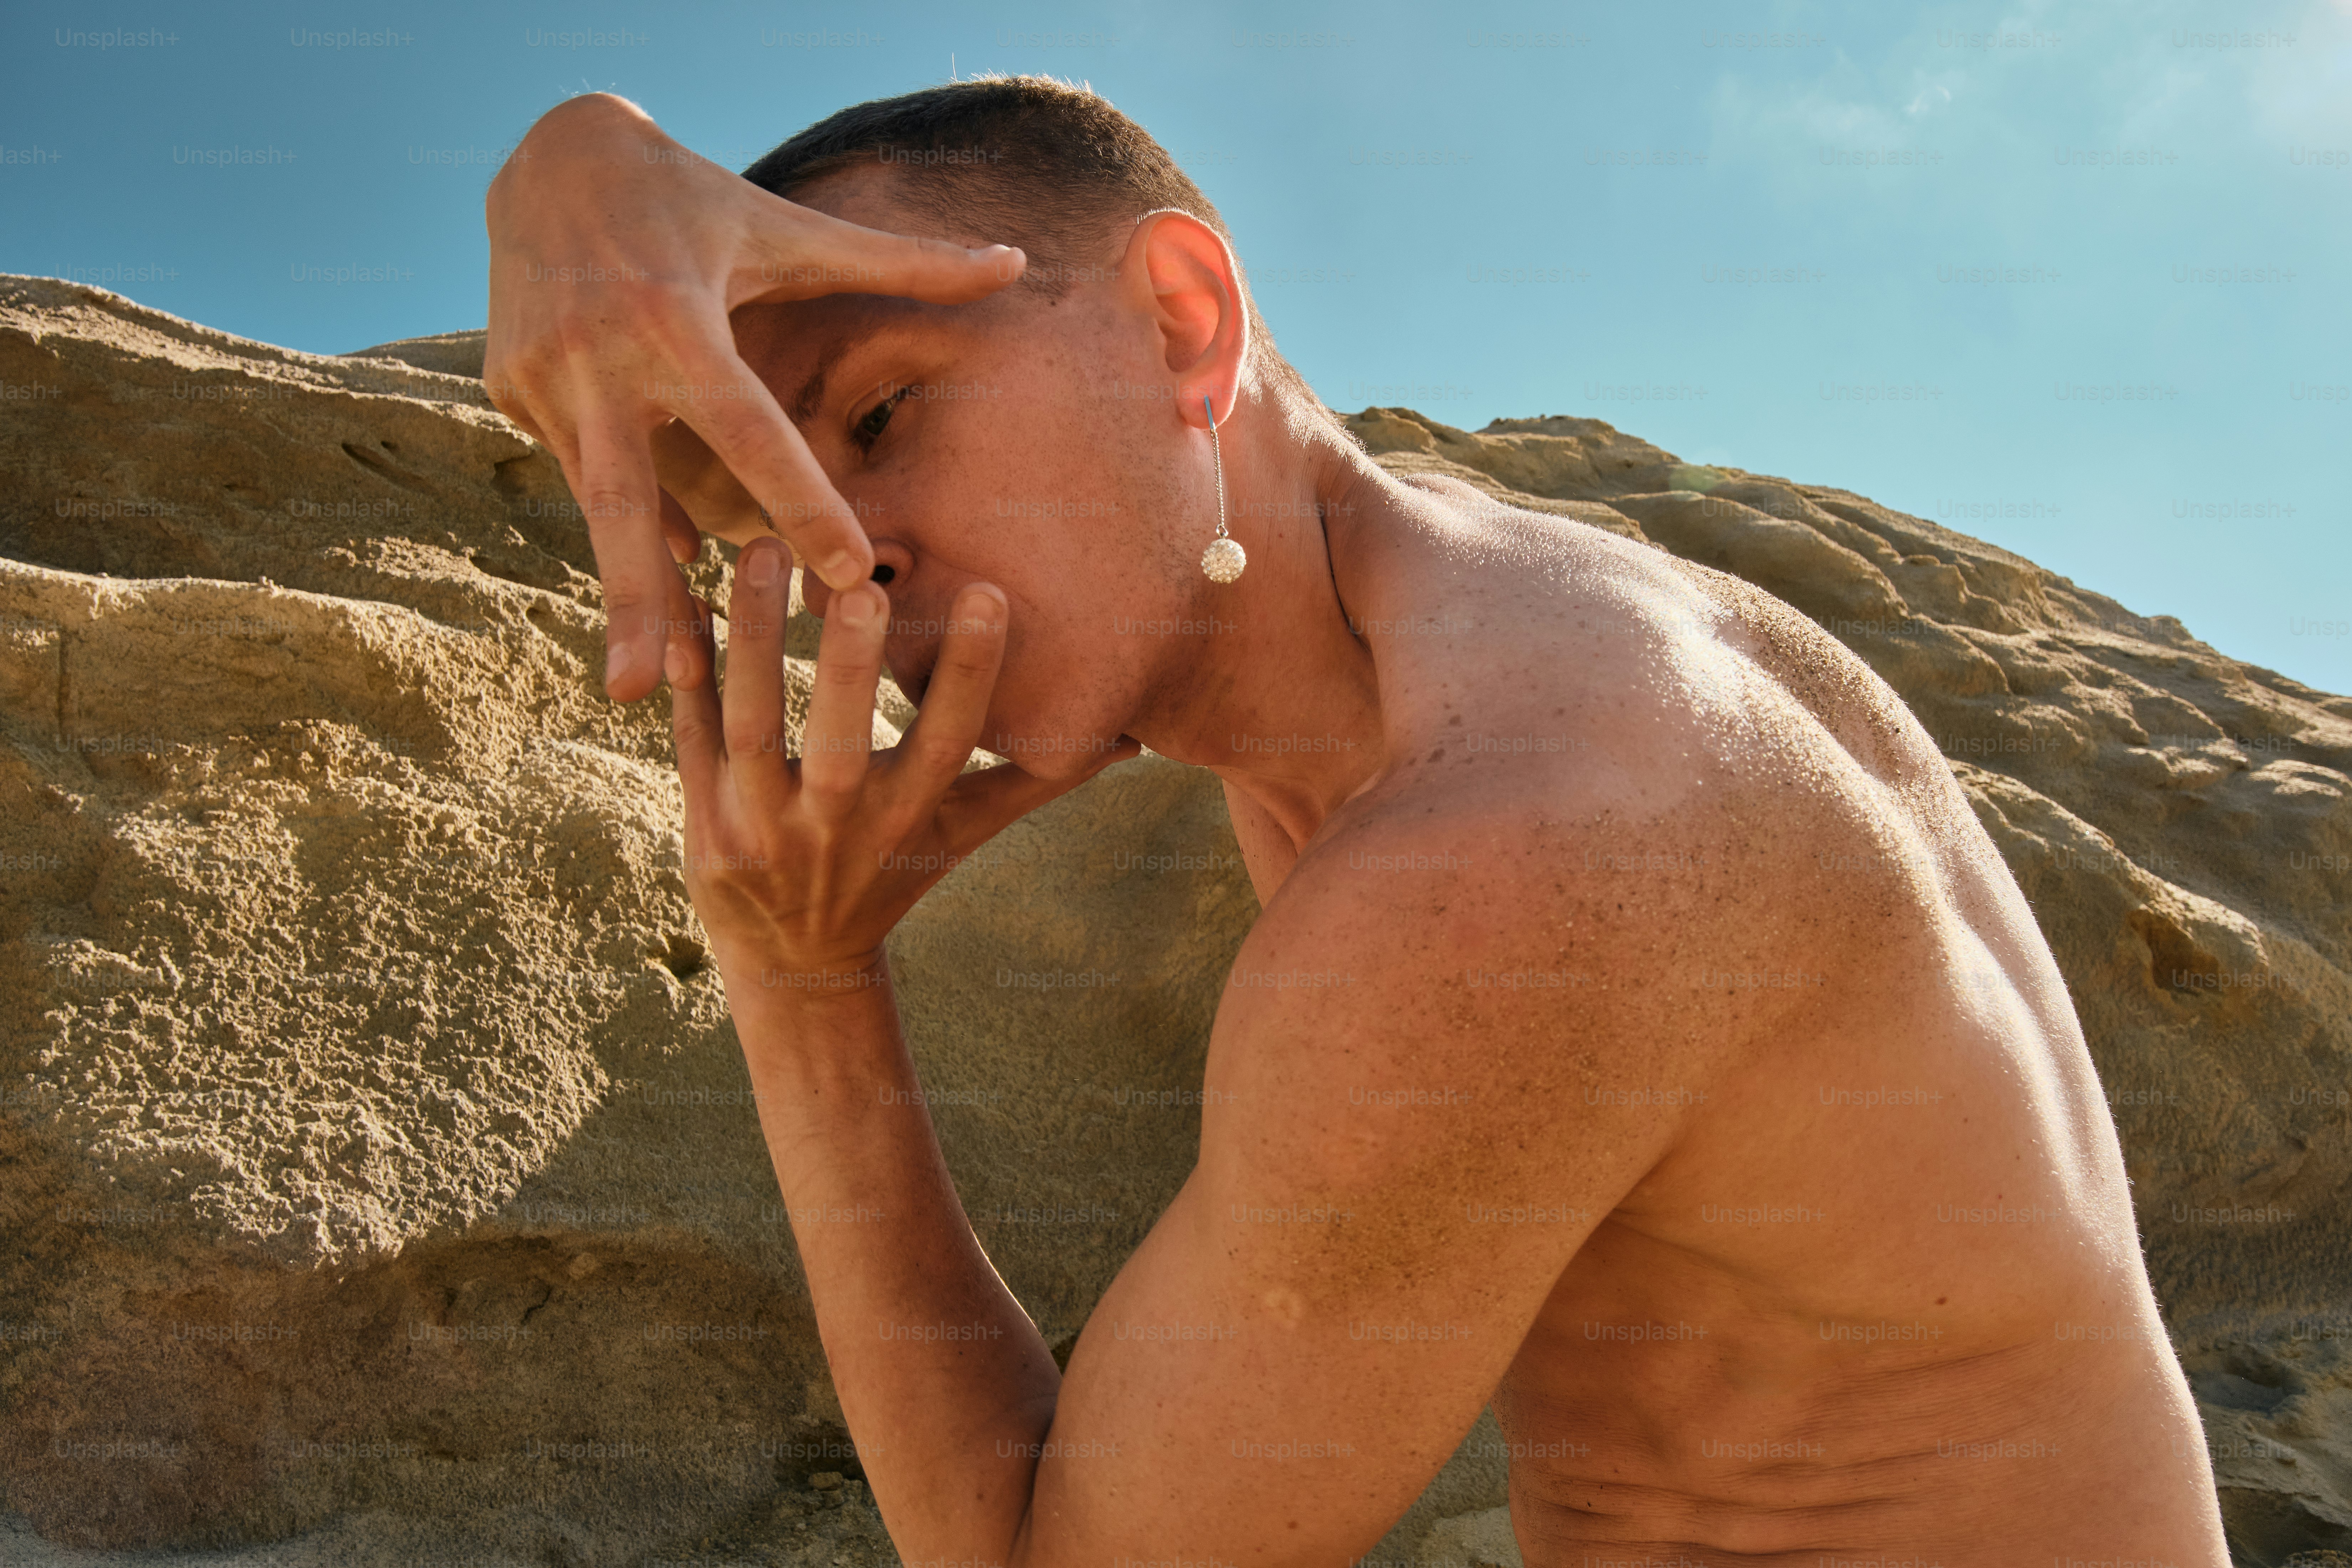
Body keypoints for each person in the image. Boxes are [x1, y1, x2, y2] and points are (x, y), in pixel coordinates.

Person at [484, 77, 2230, 1568]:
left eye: (881, 414)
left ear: (1186, 320)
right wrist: (573, 146)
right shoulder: (1452, 621)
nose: (845, 554)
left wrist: (801, 976)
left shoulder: (1505, 848)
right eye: (766, 517)